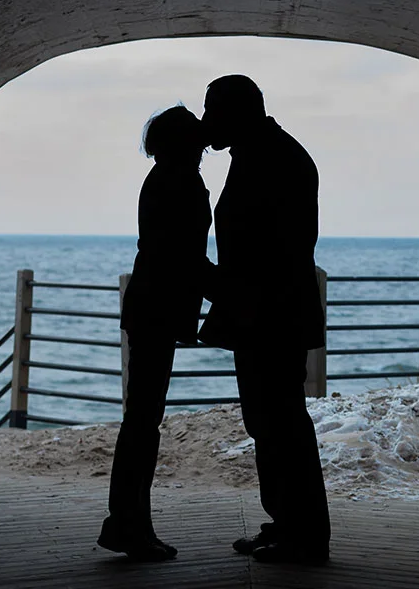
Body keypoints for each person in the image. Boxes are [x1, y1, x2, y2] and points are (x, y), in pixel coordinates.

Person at [197, 75, 331, 563]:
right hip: (264, 312)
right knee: (269, 420)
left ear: (236, 113)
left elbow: (271, 253)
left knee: (282, 421)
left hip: (269, 315)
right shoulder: (264, 153)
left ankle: (306, 535)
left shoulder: (272, 159)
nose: (206, 122)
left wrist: (214, 280)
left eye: (212, 112)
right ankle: (287, 523)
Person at [97, 105, 215, 562]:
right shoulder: (180, 181)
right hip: (158, 310)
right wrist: (231, 290)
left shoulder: (163, 177)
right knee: (143, 422)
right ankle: (128, 525)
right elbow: (185, 256)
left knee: (141, 421)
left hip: (150, 306)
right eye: (198, 142)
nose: (204, 149)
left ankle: (128, 522)